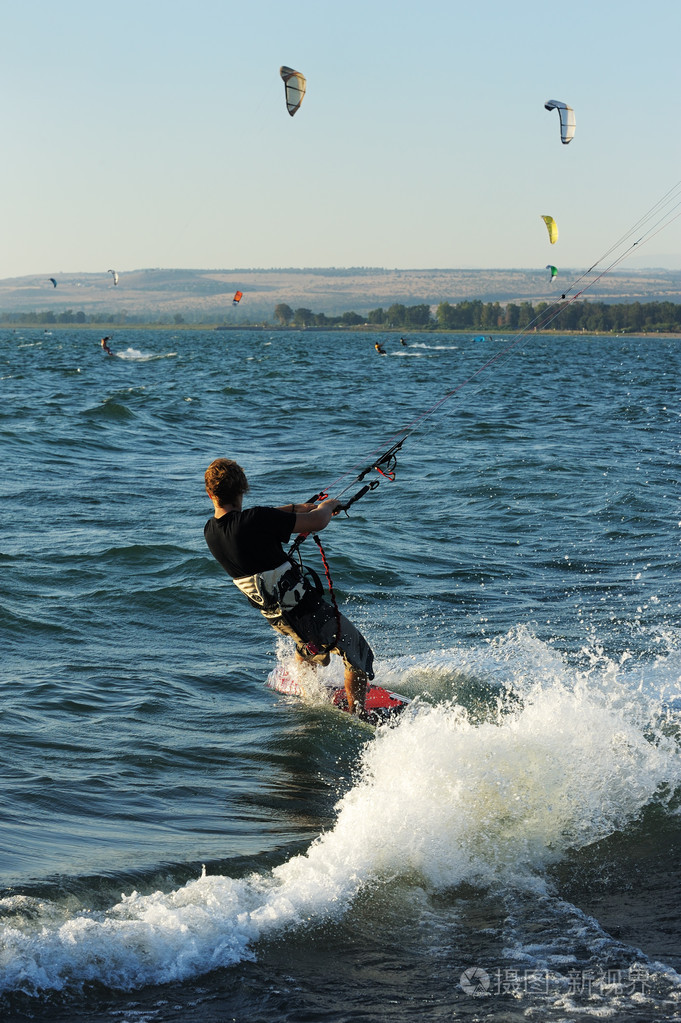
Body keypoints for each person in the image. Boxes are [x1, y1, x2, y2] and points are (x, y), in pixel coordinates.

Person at [203, 458, 374, 715]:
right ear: (243, 490)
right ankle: (358, 715)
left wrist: (296, 508)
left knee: (304, 640)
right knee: (357, 653)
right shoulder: (254, 520)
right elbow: (318, 521)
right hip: (305, 609)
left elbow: (262, 517)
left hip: (278, 616)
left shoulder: (211, 531)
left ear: (210, 493)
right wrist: (327, 506)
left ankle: (309, 696)